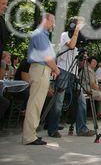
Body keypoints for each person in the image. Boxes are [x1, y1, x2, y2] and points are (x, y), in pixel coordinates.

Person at [47, 17, 94, 138]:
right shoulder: (65, 35)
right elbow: (72, 45)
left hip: (74, 72)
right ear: (73, 25)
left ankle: (82, 129)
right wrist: (77, 31)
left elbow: (77, 59)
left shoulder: (79, 38)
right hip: (63, 70)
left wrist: (83, 57)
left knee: (81, 100)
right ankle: (52, 129)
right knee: (59, 101)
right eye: (80, 25)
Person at [22, 13, 60, 145]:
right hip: (40, 70)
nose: (53, 24)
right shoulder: (39, 34)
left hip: (42, 70)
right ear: (45, 20)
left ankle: (31, 134)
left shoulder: (42, 34)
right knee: (35, 104)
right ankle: (29, 137)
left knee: (36, 103)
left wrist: (52, 68)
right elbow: (47, 57)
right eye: (52, 21)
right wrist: (56, 68)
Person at [80, 56, 101, 121]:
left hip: (90, 89)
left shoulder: (92, 70)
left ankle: (100, 114)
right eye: (93, 62)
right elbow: (92, 84)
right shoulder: (87, 70)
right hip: (86, 90)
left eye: (96, 62)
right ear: (89, 63)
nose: (95, 63)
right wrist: (98, 91)